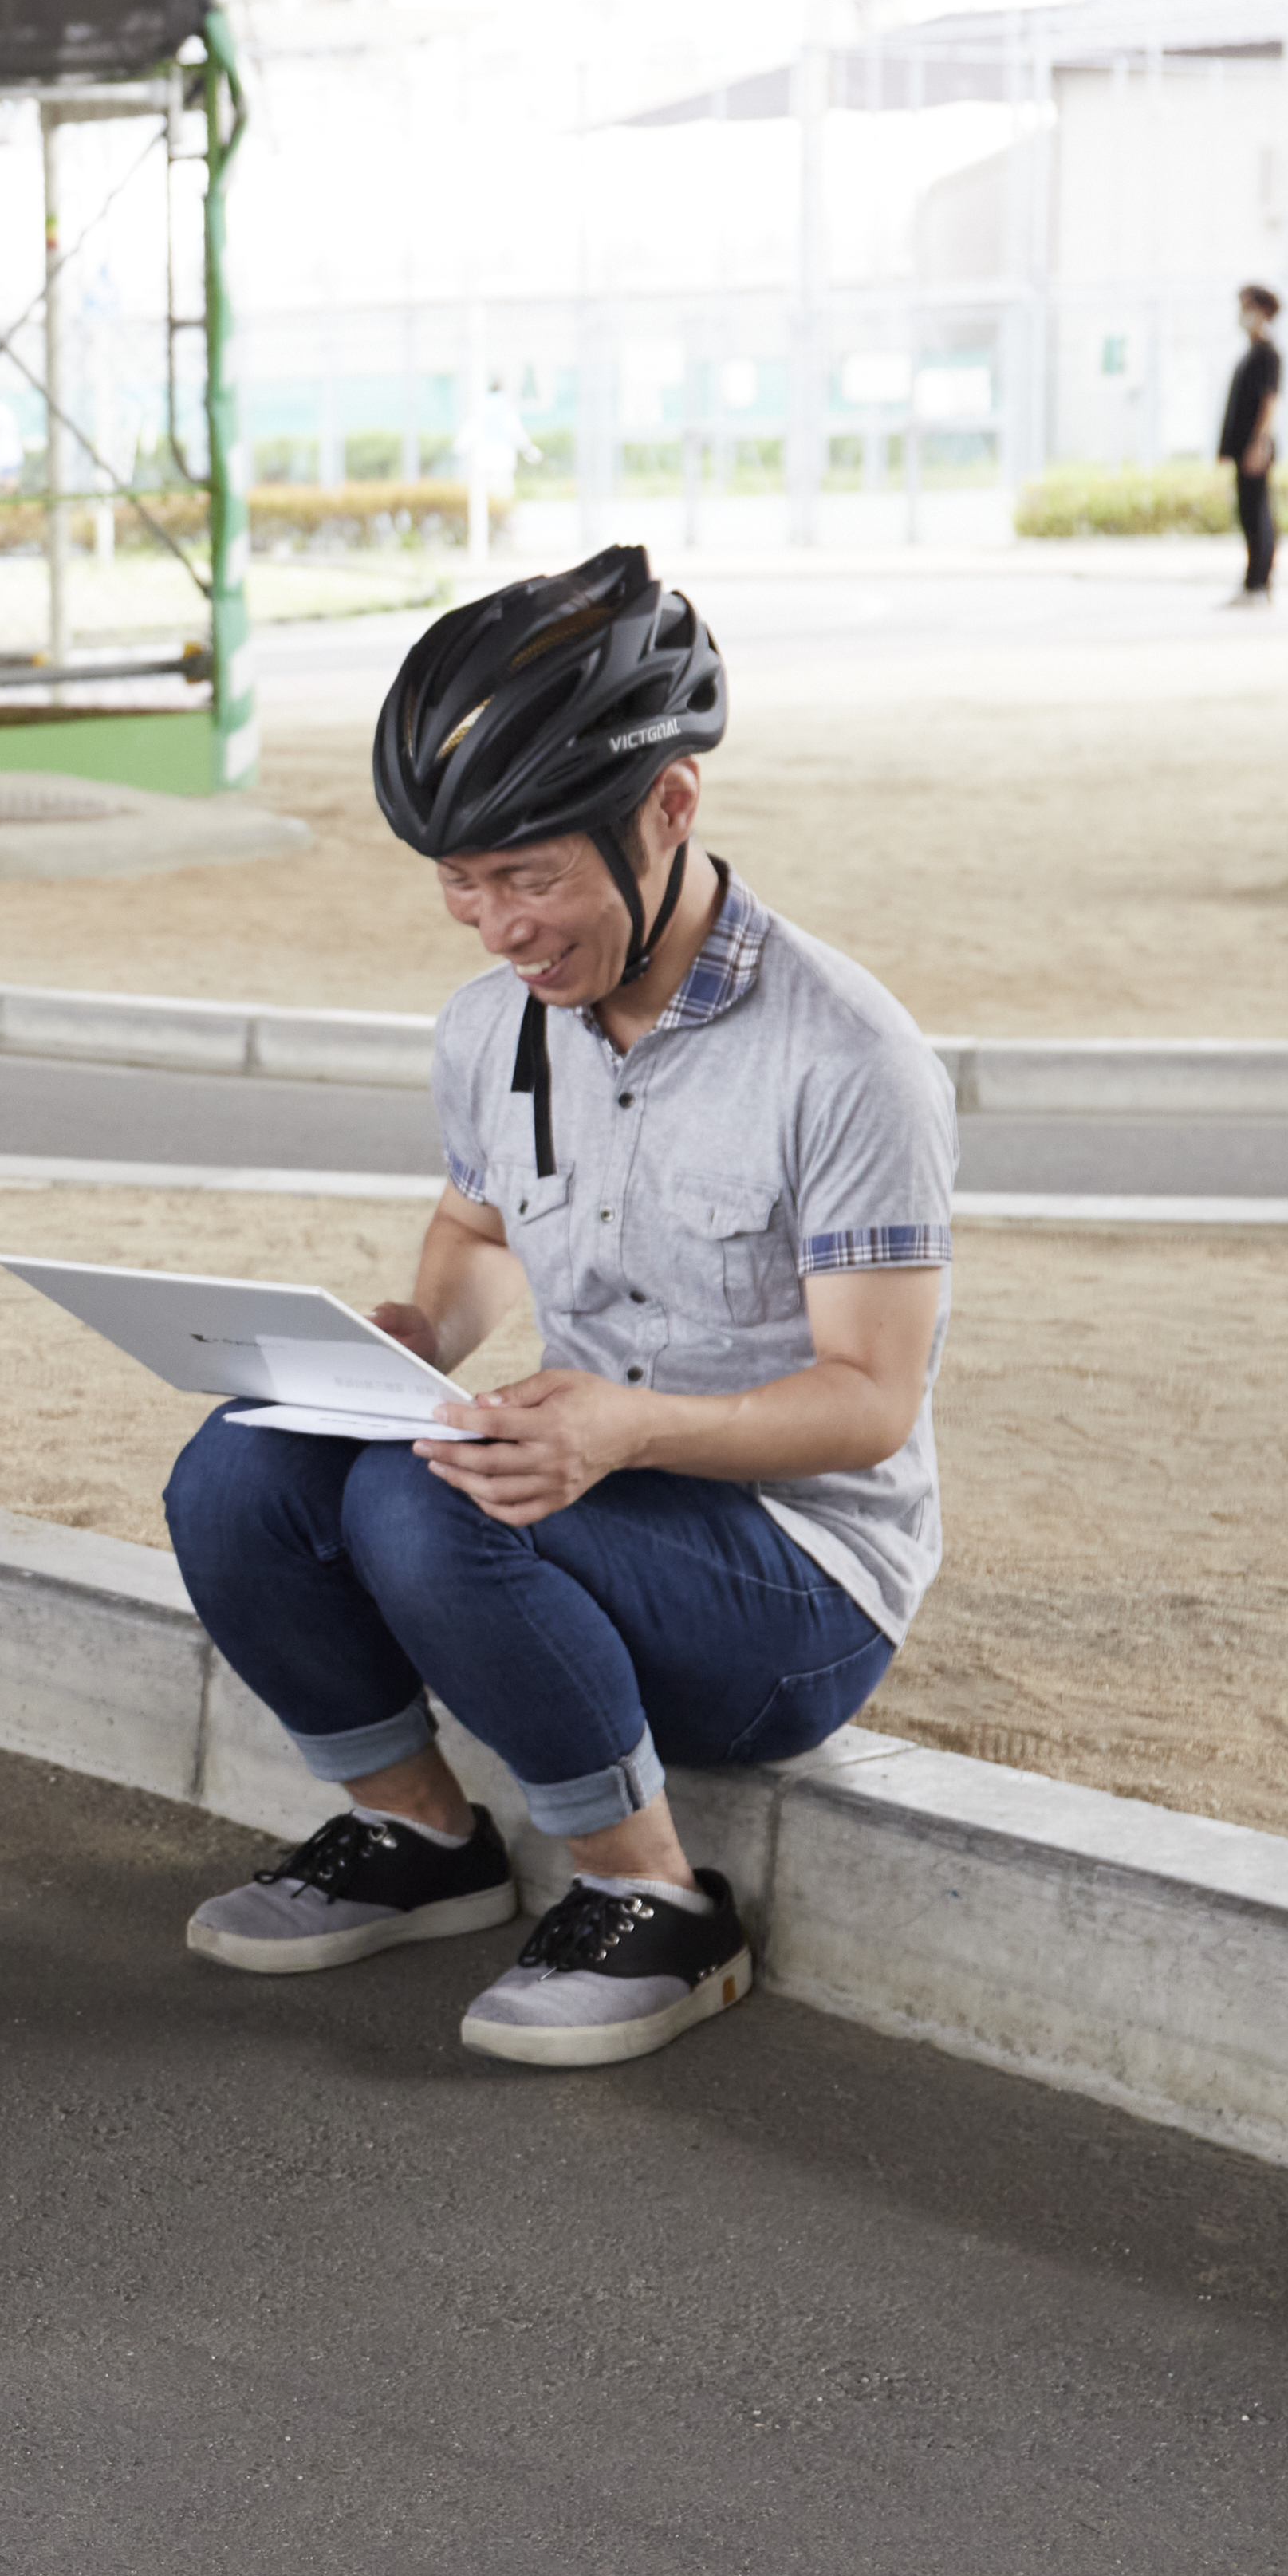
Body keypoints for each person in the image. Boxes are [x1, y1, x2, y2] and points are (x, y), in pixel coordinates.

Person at [160, 546, 955, 2068]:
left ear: (667, 808)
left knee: (421, 1503)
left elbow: (870, 1401)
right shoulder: (493, 1025)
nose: (495, 927)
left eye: (528, 875)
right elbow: (475, 1218)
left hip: (797, 1588)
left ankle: (656, 1899)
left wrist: (626, 1427)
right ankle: (421, 1841)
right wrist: (424, 1328)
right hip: (591, 1517)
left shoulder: (845, 1058)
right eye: (460, 884)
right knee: (239, 1464)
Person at [1221, 286, 1281, 606]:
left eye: (1246, 306)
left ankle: (1259, 584)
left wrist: (1260, 443)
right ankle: (1252, 582)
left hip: (1255, 447)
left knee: (1257, 514)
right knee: (1248, 512)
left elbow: (1269, 402)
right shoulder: (1251, 352)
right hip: (1243, 445)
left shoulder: (1267, 354)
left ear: (1261, 311)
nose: (1241, 313)